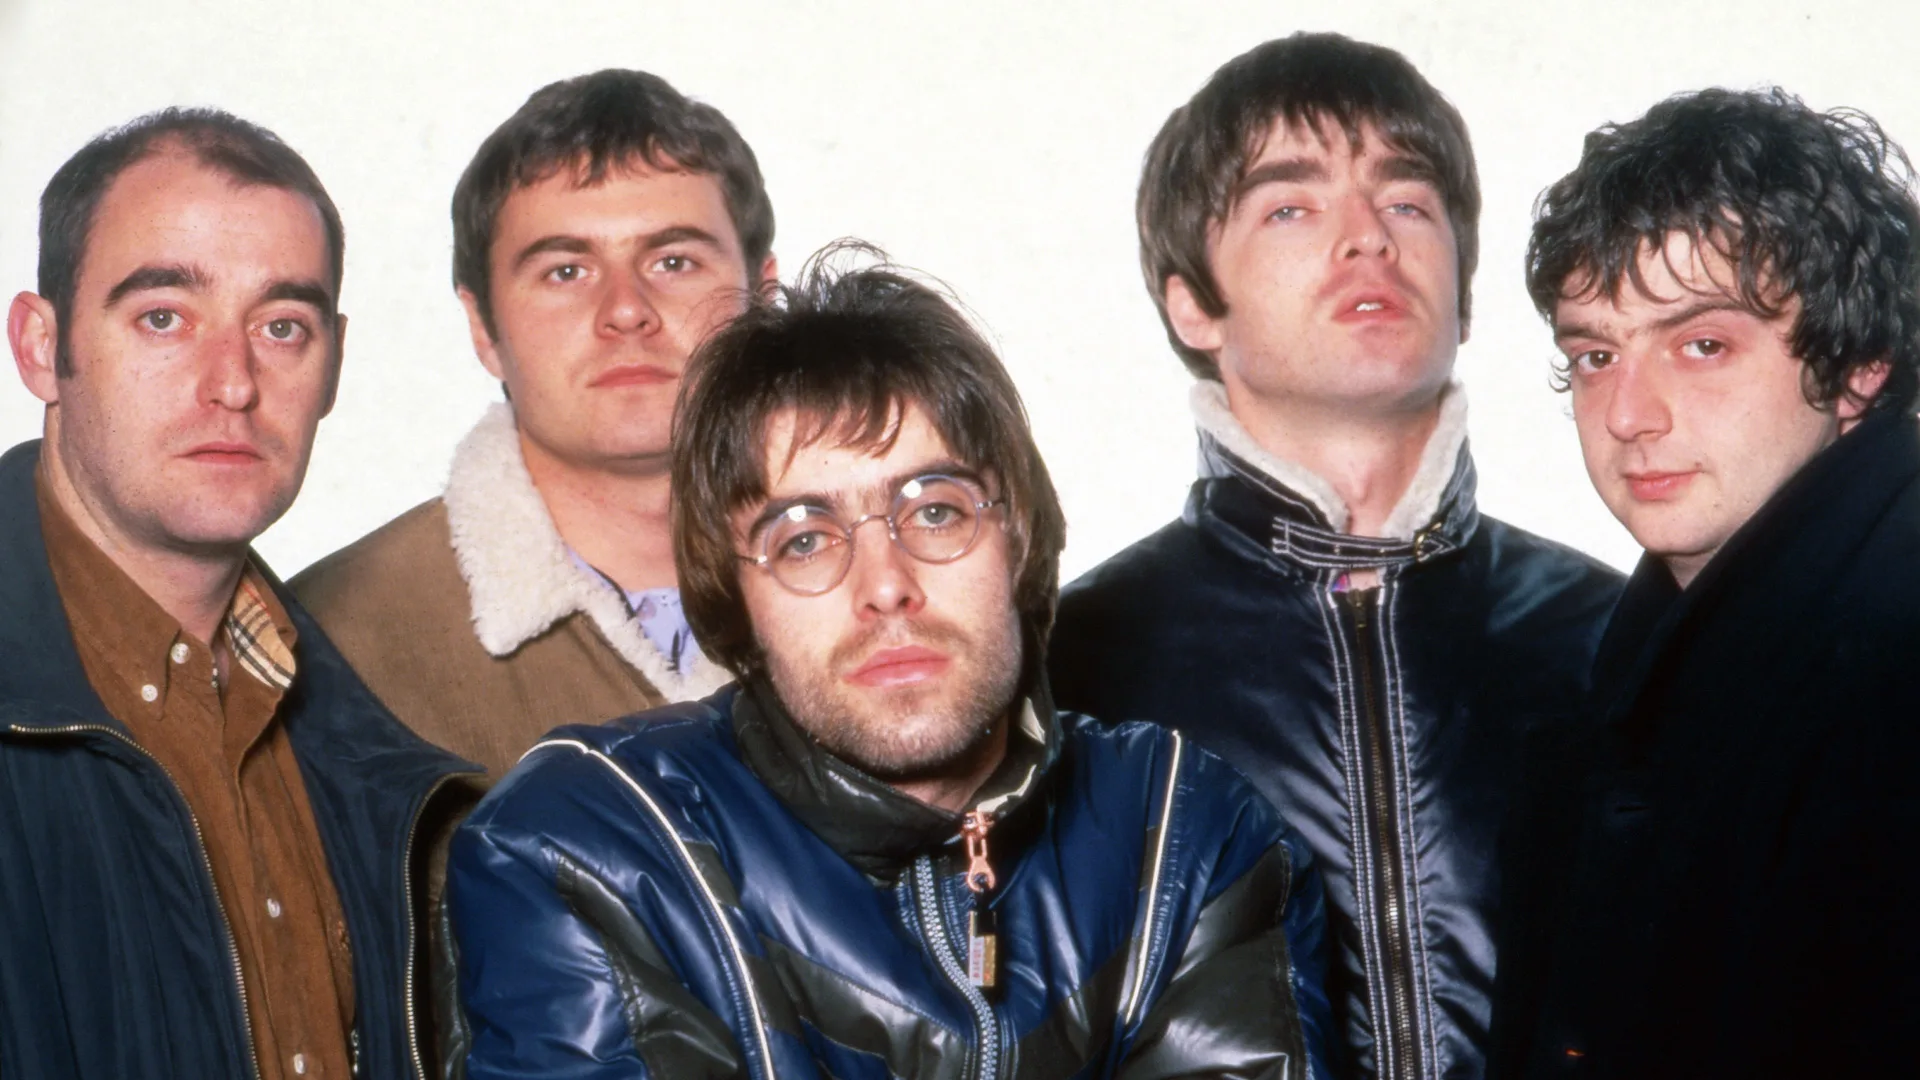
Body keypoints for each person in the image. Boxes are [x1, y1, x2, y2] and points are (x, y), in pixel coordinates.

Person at [442, 249, 1335, 1079]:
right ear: (736, 601)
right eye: (803, 539)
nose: (885, 587)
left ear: (1017, 539)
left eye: (937, 512)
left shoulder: (1185, 829)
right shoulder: (591, 845)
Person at [1046, 33, 1623, 1080]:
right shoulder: (1069, 665)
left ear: (1465, 285)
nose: (1367, 238)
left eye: (1407, 202)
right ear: (1191, 302)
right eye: (1292, 207)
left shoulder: (1623, 638)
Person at [0, 108, 470, 1080]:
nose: (234, 383)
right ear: (41, 346)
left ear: (332, 361)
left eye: (281, 326)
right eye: (164, 317)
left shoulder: (368, 729)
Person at [1490, 87, 1920, 1079]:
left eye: (1702, 344)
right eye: (1595, 354)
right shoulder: (1608, 699)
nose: (1629, 412)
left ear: (1858, 363)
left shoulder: (1890, 686)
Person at [293, 68, 774, 778]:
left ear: (763, 300)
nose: (626, 309)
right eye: (565, 272)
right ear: (483, 328)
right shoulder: (329, 648)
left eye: (673, 261)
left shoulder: (914, 580)